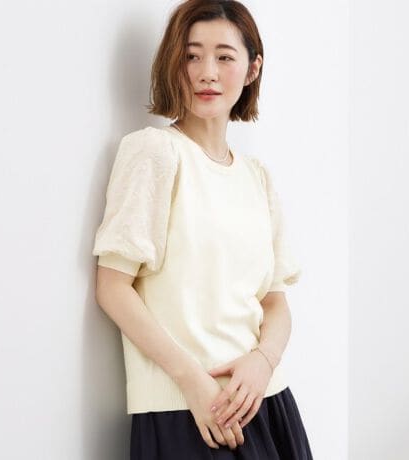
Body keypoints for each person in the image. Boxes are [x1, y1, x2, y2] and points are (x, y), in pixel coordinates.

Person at [92, 0, 314, 458]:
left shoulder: (256, 177)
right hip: (186, 409)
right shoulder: (155, 153)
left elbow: (275, 302)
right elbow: (112, 287)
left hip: (266, 400)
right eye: (191, 56)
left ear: (253, 69)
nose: (206, 72)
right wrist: (192, 382)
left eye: (224, 56)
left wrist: (263, 361)